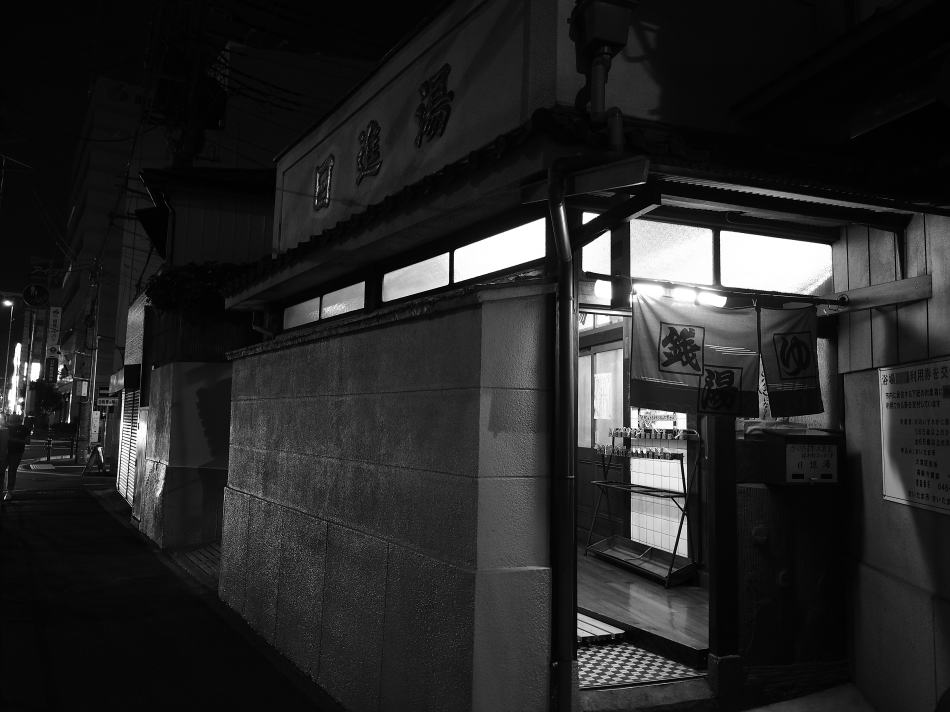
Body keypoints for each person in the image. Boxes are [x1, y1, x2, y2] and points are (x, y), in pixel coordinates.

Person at [3, 414, 30, 501]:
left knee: (12, 471)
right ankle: (8, 491)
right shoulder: (6, 428)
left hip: (16, 452)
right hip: (5, 452)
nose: (12, 423)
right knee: (6, 471)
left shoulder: (24, 429)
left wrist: (12, 439)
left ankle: (9, 491)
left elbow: (27, 441)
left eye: (13, 421)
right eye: (11, 421)